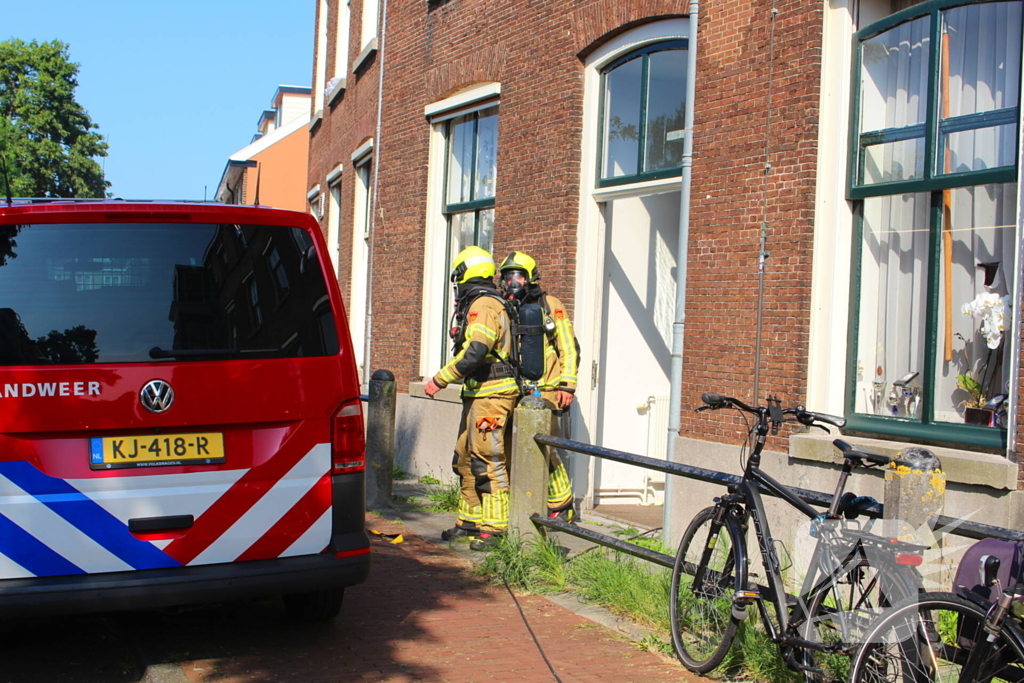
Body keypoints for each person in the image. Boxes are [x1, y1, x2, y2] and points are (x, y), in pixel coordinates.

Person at [424, 246, 518, 551]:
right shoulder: (483, 302)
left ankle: (495, 528)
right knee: (464, 458)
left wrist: (440, 379)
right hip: (477, 393)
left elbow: (476, 351)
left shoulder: (484, 304)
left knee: (487, 461)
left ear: (466, 275)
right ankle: (469, 522)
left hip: (492, 396)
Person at [498, 251, 580, 523]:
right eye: (508, 276)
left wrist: (567, 385)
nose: (513, 282)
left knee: (543, 447)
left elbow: (568, 346)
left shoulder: (549, 304)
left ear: (530, 277)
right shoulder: (503, 306)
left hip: (546, 389)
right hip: (513, 389)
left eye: (518, 276)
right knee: (511, 447)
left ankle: (562, 504)